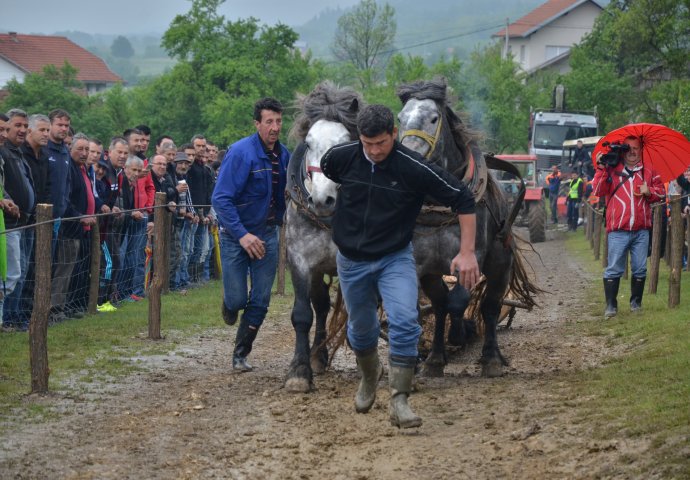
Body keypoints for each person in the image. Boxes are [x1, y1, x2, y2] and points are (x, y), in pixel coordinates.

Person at [320, 104, 480, 429]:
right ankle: (368, 377)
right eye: (368, 144)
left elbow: (463, 198)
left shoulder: (413, 168)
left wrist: (467, 252)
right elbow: (328, 176)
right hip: (351, 262)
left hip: (394, 258)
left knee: (405, 322)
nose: (375, 151)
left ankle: (399, 399)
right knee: (360, 330)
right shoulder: (339, 158)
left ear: (395, 133)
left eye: (381, 142)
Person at [212, 97, 289, 372]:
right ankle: (230, 302)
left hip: (267, 235)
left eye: (279, 121)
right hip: (236, 237)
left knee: (260, 300)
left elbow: (289, 197)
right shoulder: (241, 152)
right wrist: (243, 235)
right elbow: (221, 199)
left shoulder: (284, 156)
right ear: (257, 123)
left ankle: (240, 354)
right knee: (237, 301)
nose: (275, 127)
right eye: (269, 121)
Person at [592, 136, 665, 318]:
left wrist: (650, 192)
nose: (632, 152)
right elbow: (598, 190)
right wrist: (601, 167)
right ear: (623, 150)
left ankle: (636, 304)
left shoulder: (649, 171)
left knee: (640, 268)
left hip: (641, 230)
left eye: (636, 148)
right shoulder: (611, 169)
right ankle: (611, 305)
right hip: (618, 229)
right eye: (629, 148)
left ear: (641, 150)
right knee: (614, 267)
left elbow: (661, 193)